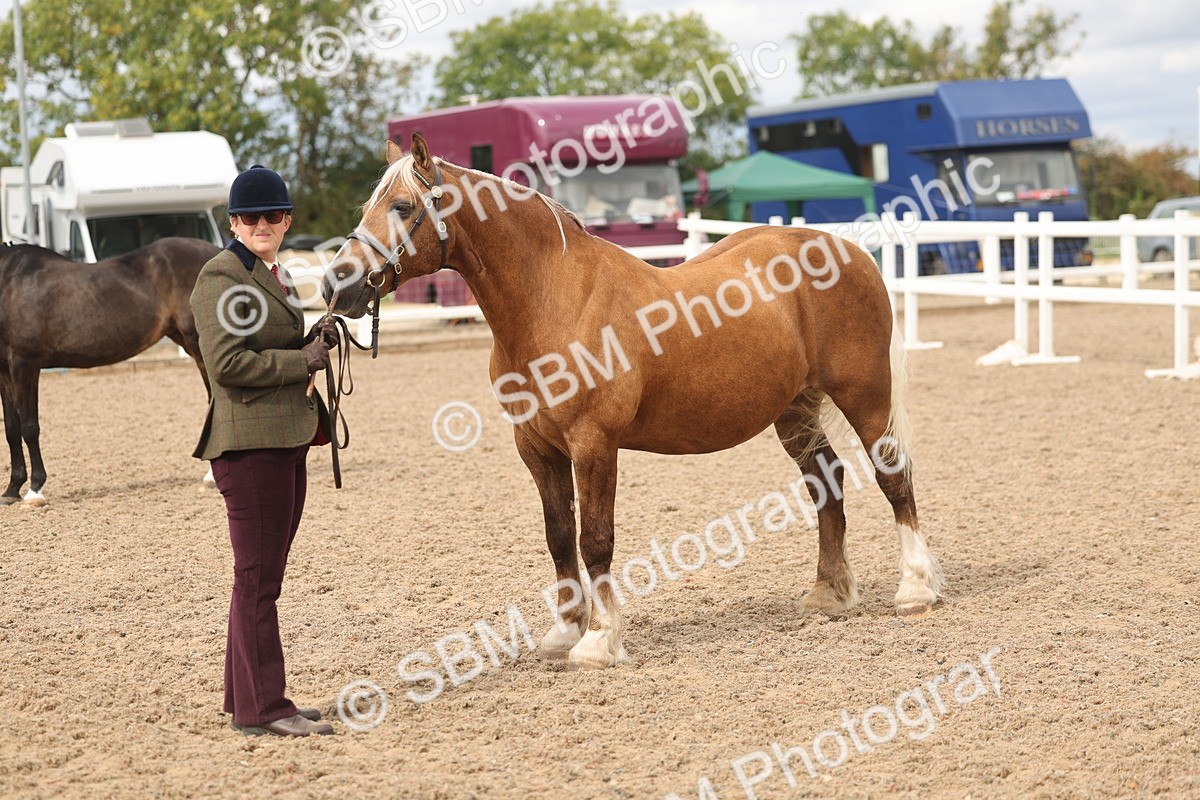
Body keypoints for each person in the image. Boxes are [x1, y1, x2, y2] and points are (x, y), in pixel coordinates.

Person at [190, 165, 336, 737]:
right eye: (250, 217)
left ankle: (242, 695)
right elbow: (227, 365)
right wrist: (301, 362)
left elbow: (265, 346)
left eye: (272, 216)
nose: (262, 224)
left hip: (283, 438)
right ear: (233, 222)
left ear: (286, 220)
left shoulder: (273, 273)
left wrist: (313, 342)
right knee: (257, 579)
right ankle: (264, 708)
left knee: (259, 575)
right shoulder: (220, 277)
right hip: (249, 446)